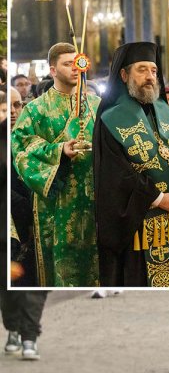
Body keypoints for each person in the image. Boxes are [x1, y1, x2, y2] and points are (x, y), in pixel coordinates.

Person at [93, 42, 169, 286]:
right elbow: (117, 176)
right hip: (139, 227)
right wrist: (161, 199)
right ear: (124, 75)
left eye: (154, 70)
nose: (150, 77)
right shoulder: (111, 120)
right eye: (142, 70)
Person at [10, 42, 100, 286]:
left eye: (76, 63)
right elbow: (21, 148)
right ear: (52, 70)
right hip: (57, 204)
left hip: (95, 200)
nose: (74, 69)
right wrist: (59, 150)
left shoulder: (96, 106)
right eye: (67, 64)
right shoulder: (36, 110)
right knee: (61, 267)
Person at [3, 102, 49, 360]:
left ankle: (29, 336)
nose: (11, 111)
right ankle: (12, 328)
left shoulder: (33, 139)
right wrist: (24, 208)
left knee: (33, 284)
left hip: (37, 225)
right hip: (12, 226)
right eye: (4, 106)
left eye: (17, 105)